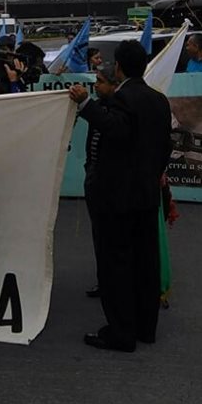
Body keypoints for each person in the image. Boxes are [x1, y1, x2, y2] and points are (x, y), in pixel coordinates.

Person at [68, 40, 173, 352]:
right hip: (146, 195)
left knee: (116, 265)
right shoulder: (159, 100)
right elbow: (164, 146)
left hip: (118, 197)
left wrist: (86, 104)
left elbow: (116, 129)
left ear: (120, 67)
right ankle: (145, 327)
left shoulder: (123, 98)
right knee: (145, 263)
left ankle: (120, 332)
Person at [82, 65, 118, 299]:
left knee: (111, 237)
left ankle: (113, 283)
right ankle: (104, 280)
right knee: (99, 235)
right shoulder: (101, 107)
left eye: (101, 81)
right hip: (95, 177)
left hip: (110, 184)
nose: (96, 85)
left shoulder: (116, 111)